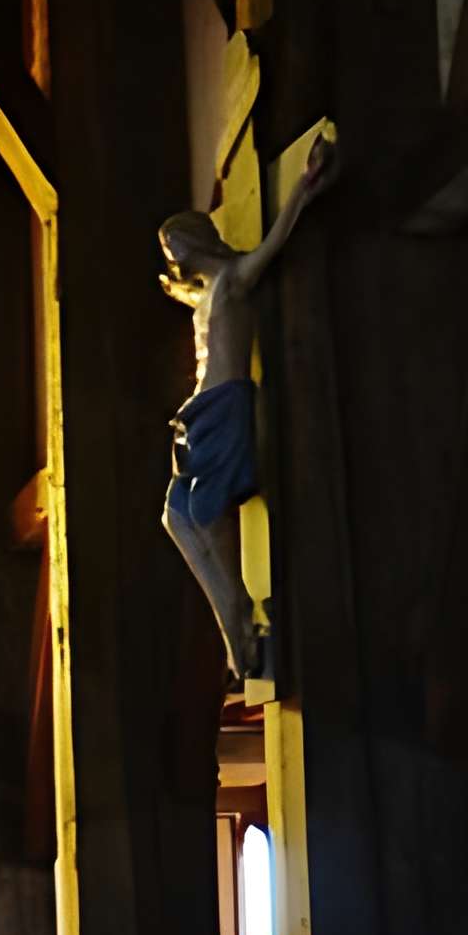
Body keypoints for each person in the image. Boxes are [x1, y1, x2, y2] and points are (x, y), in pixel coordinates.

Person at [158, 136, 339, 679]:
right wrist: (179, 292)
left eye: (172, 246)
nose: (171, 256)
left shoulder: (236, 278)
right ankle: (230, 612)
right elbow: (203, 305)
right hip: (200, 410)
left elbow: (274, 245)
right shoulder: (210, 291)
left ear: (192, 242)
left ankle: (238, 621)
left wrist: (306, 186)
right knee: (175, 514)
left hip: (227, 401)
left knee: (206, 513)